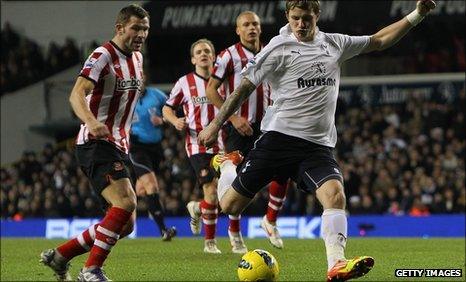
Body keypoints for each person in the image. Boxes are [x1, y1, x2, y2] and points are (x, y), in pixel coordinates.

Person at [199, 0, 436, 281]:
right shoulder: (277, 47)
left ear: (317, 16)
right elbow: (243, 88)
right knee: (229, 206)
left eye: (307, 18)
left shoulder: (335, 43)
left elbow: (379, 40)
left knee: (335, 195)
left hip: (317, 146)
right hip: (278, 139)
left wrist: (418, 14)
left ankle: (336, 264)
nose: (301, 24)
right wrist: (215, 125)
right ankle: (227, 166)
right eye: (296, 18)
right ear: (288, 16)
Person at [39, 4, 150, 281]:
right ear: (120, 27)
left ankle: (60, 255)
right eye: (136, 27)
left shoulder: (137, 58)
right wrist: (91, 121)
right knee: (125, 203)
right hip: (95, 142)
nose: (141, 34)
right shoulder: (102, 55)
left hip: (121, 145)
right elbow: (77, 94)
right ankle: (90, 271)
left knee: (125, 225)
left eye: (145, 29)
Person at [206, 11, 288, 249]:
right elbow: (212, 90)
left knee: (283, 170)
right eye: (246, 25)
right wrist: (232, 118)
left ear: (260, 28)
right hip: (240, 128)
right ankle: (234, 235)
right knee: (237, 181)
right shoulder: (228, 56)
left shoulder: (271, 50)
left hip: (270, 125)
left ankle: (270, 221)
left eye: (255, 24)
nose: (251, 28)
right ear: (238, 30)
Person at [163, 38, 247, 254]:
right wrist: (175, 121)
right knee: (211, 193)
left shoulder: (224, 82)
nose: (203, 54)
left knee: (227, 193)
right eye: (199, 51)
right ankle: (210, 243)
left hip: (224, 143)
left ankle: (197, 208)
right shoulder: (184, 83)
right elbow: (167, 108)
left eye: (207, 51)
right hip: (198, 144)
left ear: (214, 57)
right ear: (193, 59)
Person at [129, 80, 177, 241]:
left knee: (141, 191)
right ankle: (164, 230)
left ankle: (122, 216)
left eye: (140, 79)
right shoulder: (126, 99)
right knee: (151, 186)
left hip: (156, 148)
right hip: (136, 148)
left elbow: (172, 109)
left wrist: (163, 120)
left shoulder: (157, 95)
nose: (138, 82)